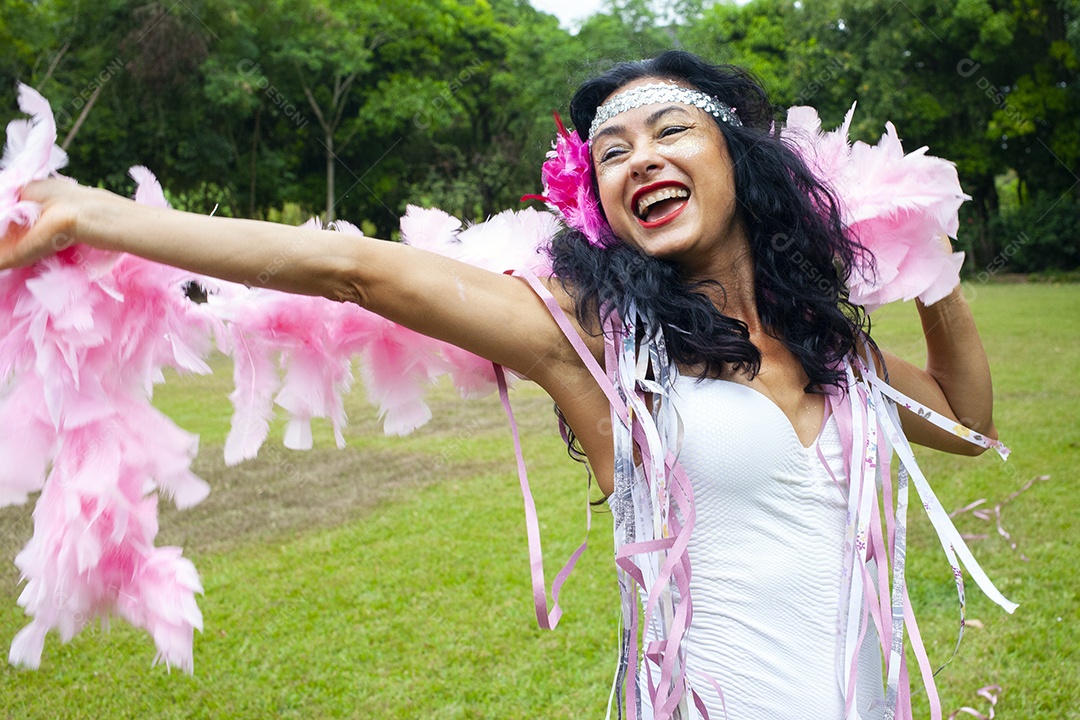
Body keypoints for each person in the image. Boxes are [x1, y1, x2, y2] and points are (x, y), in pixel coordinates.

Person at [0, 51, 1001, 719]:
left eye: (668, 133)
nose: (637, 160)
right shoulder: (601, 346)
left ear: (742, 160)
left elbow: (963, 425)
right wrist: (91, 216)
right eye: (612, 152)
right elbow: (361, 271)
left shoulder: (836, 351)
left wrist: (932, 267)